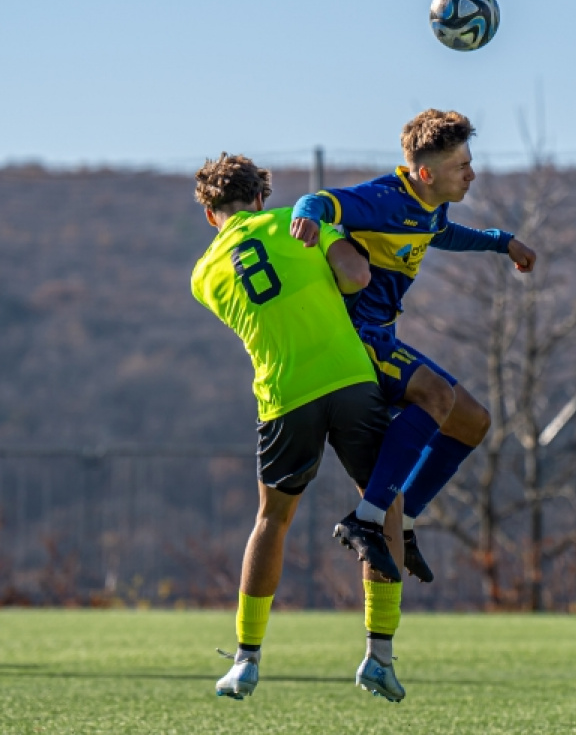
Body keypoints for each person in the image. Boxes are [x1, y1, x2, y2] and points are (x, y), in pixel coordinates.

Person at [191, 153, 416, 703]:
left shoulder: (202, 276)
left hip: (283, 394)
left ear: (210, 214)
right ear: (262, 197)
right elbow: (358, 276)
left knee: (272, 519)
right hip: (348, 377)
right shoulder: (304, 219)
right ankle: (379, 657)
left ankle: (245, 660)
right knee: (382, 504)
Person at [290, 110, 537, 583]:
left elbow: (440, 233)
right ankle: (365, 520)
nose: (472, 173)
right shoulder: (384, 199)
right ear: (426, 174)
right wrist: (306, 217)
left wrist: (502, 243)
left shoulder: (429, 205)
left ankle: (402, 526)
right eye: (461, 167)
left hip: (383, 336)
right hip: (356, 338)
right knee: (438, 398)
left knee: (472, 420)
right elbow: (318, 200)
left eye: (469, 162)